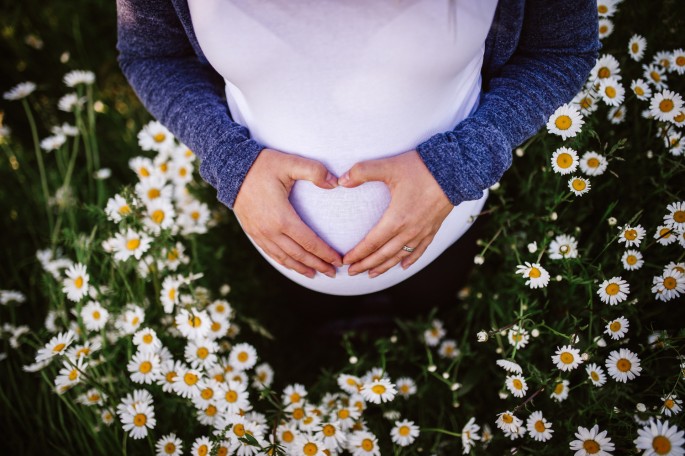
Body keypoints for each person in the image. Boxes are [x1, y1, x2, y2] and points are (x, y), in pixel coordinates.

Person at [116, 0, 600, 303]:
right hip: (277, 257)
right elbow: (154, 52)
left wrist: (458, 165)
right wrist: (230, 161)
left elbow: (559, 50)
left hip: (447, 235)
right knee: (305, 338)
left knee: (440, 311)